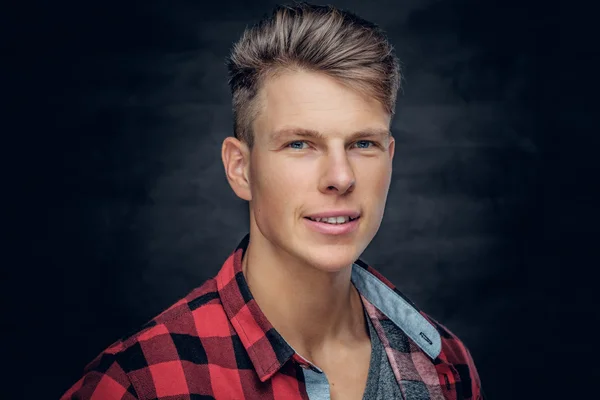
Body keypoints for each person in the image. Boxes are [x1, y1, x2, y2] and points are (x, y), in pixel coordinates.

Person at [61, 3, 484, 399]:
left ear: (389, 159)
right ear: (240, 168)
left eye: (362, 143)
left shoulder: (445, 362)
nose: (341, 177)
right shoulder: (138, 384)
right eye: (300, 144)